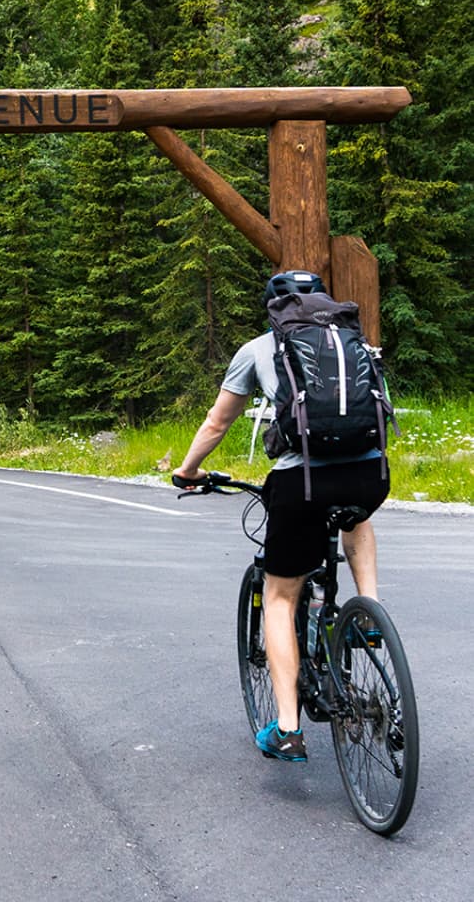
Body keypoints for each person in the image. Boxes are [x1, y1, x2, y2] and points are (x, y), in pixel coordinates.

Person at [171, 269, 391, 764]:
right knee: (357, 517)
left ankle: (288, 727)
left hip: (302, 483)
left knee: (278, 595)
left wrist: (189, 471)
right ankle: (370, 610)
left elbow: (217, 421)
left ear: (274, 308)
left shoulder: (259, 349)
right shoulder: (351, 341)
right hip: (370, 473)